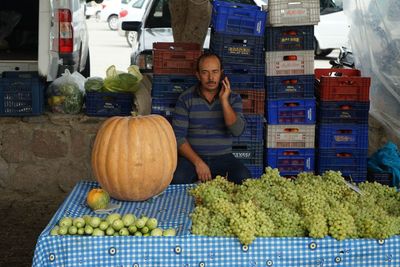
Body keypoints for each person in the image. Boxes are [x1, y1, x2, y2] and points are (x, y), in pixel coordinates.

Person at [171, 52, 251, 184]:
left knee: (244, 177)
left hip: (223, 157)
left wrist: (224, 101)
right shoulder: (185, 98)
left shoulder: (233, 98)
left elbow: (237, 131)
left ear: (221, 73)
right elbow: (178, 138)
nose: (211, 77)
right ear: (197, 75)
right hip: (192, 157)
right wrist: (198, 163)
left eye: (215, 72)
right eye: (205, 72)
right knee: (177, 178)